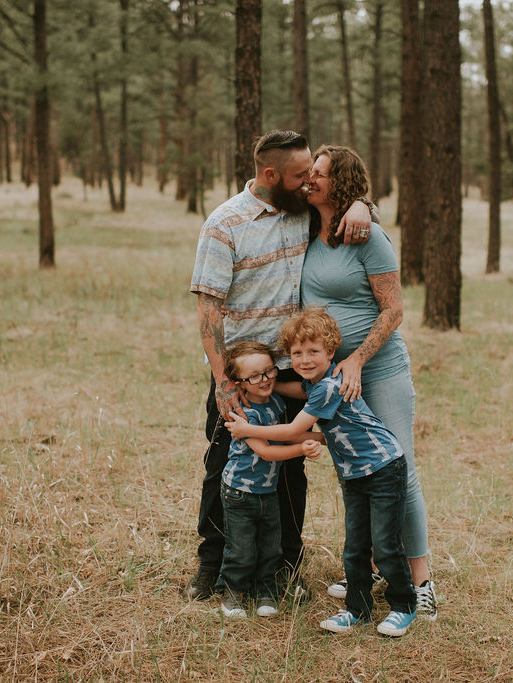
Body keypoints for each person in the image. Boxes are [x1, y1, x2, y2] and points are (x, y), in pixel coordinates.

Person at [186, 129, 374, 602]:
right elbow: (208, 311)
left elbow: (343, 203)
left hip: (294, 371)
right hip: (241, 375)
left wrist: (363, 206)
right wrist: (222, 381)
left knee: (292, 471)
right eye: (299, 174)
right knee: (224, 464)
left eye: (313, 172)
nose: (310, 181)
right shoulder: (224, 224)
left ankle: (286, 566)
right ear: (270, 175)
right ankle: (212, 566)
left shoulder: (303, 210)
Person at [301, 145, 437, 620]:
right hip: (333, 379)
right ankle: (377, 564)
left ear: (341, 184)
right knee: (354, 471)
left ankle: (421, 582)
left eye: (319, 174)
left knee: (399, 469)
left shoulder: (368, 236)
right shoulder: (306, 229)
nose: (310, 180)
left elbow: (394, 309)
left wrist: (357, 358)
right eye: (310, 173)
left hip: (377, 370)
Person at [226, 308, 418, 637]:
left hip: (384, 467)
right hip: (355, 474)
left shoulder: (328, 388)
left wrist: (246, 429)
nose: (304, 359)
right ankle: (357, 610)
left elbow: (295, 428)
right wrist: (270, 389)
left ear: (331, 352)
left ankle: (404, 605)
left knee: (384, 544)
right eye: (297, 353)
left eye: (314, 351)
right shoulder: (316, 385)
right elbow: (301, 391)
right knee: (355, 546)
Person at [217, 341, 324, 619]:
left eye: (268, 372)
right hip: (240, 493)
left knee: (270, 546)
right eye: (254, 376)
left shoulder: (276, 403)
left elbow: (287, 433)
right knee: (240, 549)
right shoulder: (240, 415)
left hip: (268, 491)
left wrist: (323, 438)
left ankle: (266, 591)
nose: (264, 380)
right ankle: (233, 593)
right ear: (239, 383)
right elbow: (266, 450)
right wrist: (302, 449)